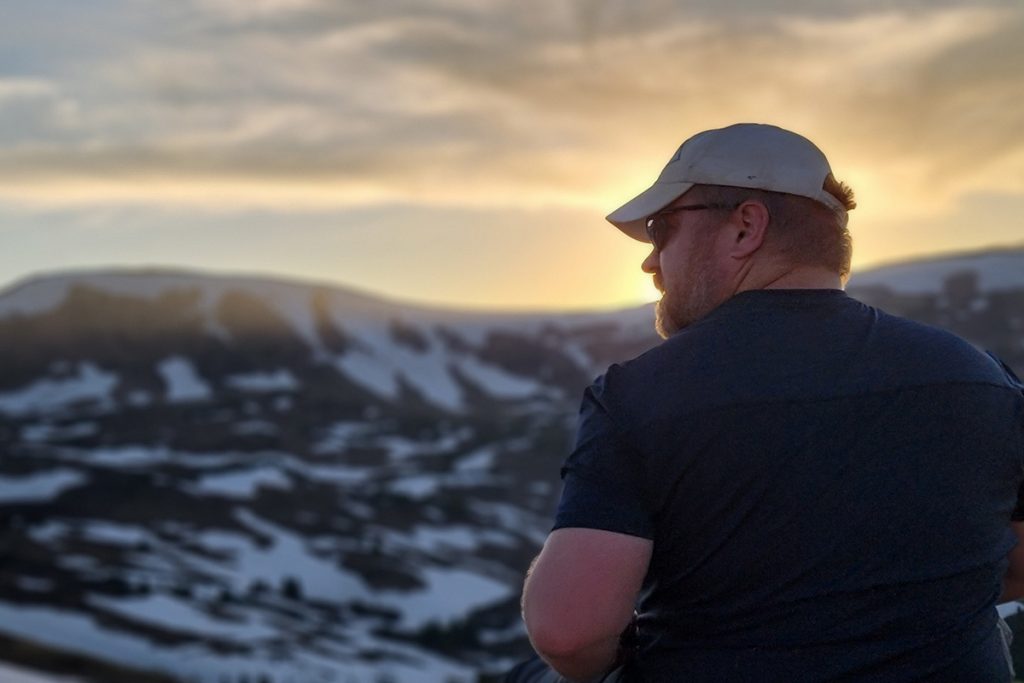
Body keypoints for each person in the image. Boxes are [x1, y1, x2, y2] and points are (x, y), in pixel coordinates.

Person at [508, 123, 1024, 682]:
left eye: (662, 231)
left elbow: (569, 632)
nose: (650, 263)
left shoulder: (641, 393)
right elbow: (1016, 565)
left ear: (745, 227)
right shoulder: (981, 378)